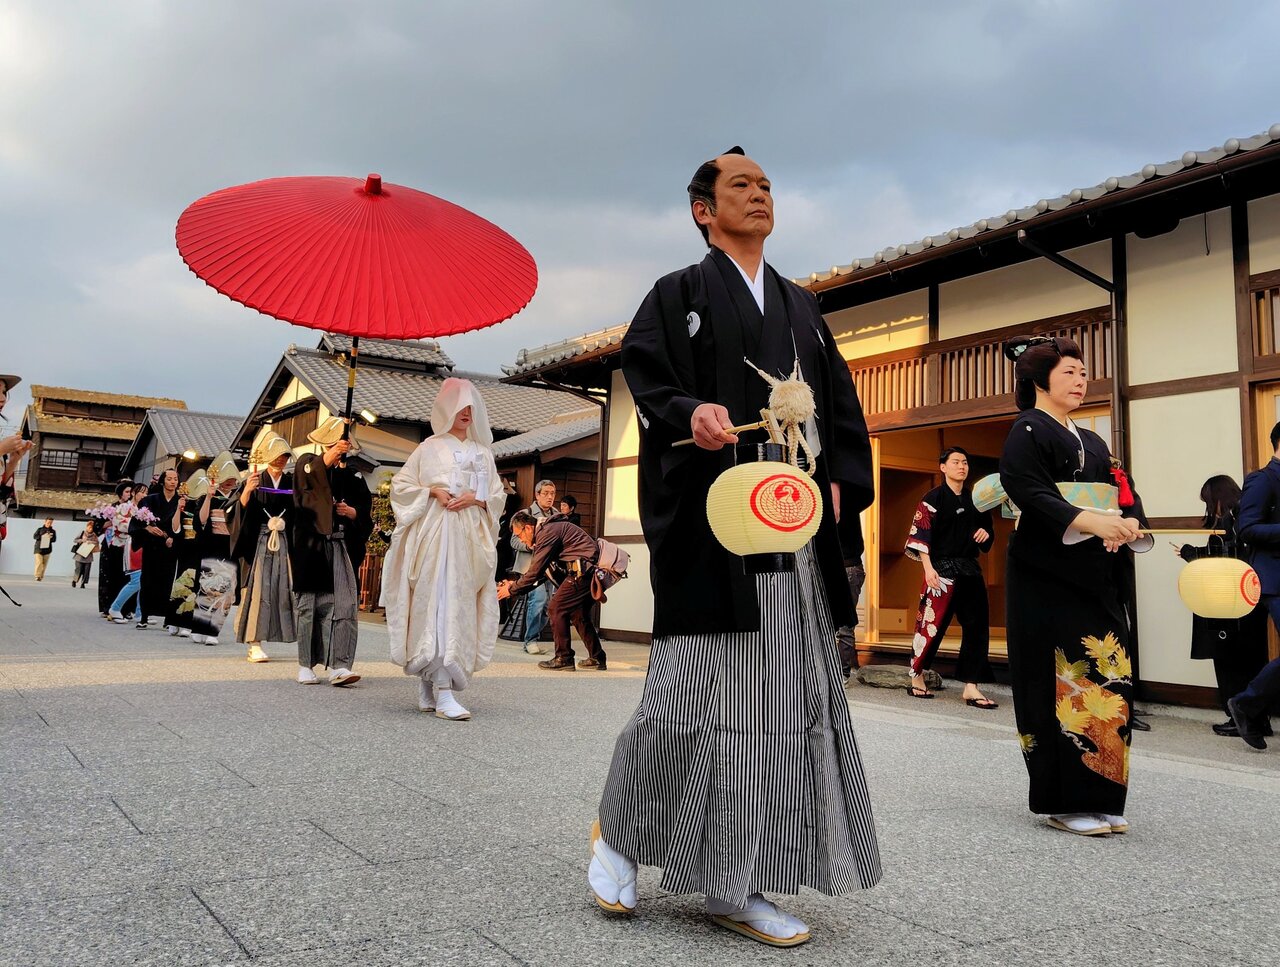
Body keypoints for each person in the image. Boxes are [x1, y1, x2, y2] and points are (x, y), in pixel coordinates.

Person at [588, 147, 881, 947]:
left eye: (766, 186)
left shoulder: (801, 306)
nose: (758, 195)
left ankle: (737, 880)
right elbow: (648, 381)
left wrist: (837, 482)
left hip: (788, 528)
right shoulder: (677, 295)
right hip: (715, 525)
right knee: (681, 701)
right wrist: (691, 412)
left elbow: (842, 418)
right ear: (702, 210)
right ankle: (618, 832)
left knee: (779, 712)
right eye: (741, 186)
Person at [999, 335, 1153, 837]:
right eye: (1069, 372)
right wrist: (1089, 520)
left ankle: (1103, 792)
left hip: (1092, 570)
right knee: (1058, 676)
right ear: (1039, 380)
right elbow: (1028, 489)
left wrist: (1126, 525)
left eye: (1084, 373)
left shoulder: (1096, 440)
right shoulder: (1027, 429)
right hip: (1046, 573)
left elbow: (1121, 491)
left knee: (1107, 671)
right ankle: (1061, 799)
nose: (1081, 380)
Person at [383, 379, 506, 720]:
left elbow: (497, 495)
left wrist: (476, 499)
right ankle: (440, 687)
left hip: (467, 537)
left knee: (457, 603)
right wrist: (432, 492)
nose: (466, 414)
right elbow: (401, 485)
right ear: (447, 409)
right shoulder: (427, 448)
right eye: (460, 407)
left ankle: (436, 682)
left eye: (470, 408)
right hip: (435, 535)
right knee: (436, 602)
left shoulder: (483, 452)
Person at [903, 447, 998, 708]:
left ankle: (971, 686)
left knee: (977, 628)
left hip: (969, 569)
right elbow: (920, 536)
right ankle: (917, 675)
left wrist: (984, 534)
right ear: (943, 467)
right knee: (932, 625)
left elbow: (987, 532)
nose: (961, 467)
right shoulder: (931, 498)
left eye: (965, 462)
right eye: (955, 462)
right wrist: (928, 568)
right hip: (940, 571)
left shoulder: (976, 500)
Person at [1176, 475, 1270, 737]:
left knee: (1229, 662)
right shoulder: (1250, 515)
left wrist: (1190, 554)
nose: (1208, 508)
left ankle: (1237, 718)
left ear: (1217, 498)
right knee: (1255, 661)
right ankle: (1260, 719)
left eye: (1208, 501)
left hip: (1228, 604)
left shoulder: (1229, 521)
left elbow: (1223, 561)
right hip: (1253, 599)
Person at [291, 417, 374, 687]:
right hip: (312, 547)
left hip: (341, 546)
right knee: (309, 607)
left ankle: (340, 665)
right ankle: (306, 664)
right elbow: (309, 484)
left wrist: (354, 514)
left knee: (343, 606)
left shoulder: (353, 475)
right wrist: (328, 457)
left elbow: (365, 514)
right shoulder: (307, 463)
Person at [497, 509, 605, 671]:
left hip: (583, 572)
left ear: (528, 528)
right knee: (578, 613)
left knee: (556, 608)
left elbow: (535, 572)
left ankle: (564, 658)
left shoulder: (546, 533)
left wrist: (511, 590)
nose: (521, 540)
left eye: (519, 535)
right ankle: (597, 657)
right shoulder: (547, 530)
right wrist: (514, 585)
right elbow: (541, 573)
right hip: (587, 572)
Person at [1227, 423, 1280, 750]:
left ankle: (1249, 705)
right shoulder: (1263, 478)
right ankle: (1247, 703)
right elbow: (1246, 528)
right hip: (1275, 576)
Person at [226, 432, 297, 663]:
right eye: (276, 456)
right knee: (256, 590)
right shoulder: (254, 479)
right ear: (267, 457)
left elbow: (301, 511)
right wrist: (247, 491)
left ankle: (278, 634)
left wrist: (286, 522)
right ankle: (254, 642)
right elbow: (234, 510)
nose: (280, 460)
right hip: (257, 541)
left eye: (284, 456)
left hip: (283, 540)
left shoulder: (291, 483)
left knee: (280, 590)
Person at [188, 454, 241, 645]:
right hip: (211, 546)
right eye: (226, 480)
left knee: (227, 591)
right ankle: (199, 627)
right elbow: (201, 521)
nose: (229, 483)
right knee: (207, 589)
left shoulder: (238, 499)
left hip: (229, 547)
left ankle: (213, 630)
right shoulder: (207, 496)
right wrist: (209, 497)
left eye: (232, 480)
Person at [505, 478, 557, 653]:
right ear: (537, 495)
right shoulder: (524, 514)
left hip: (550, 568)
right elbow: (512, 540)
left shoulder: (556, 514)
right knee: (538, 600)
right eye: (546, 493)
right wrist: (528, 545)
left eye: (552, 493)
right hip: (530, 566)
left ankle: (533, 635)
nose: (550, 497)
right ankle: (530, 640)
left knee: (548, 605)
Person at [130, 470, 183, 631]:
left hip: (170, 546)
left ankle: (168, 617)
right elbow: (136, 521)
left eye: (176, 479)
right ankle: (144, 616)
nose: (173, 482)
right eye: (169, 479)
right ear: (162, 481)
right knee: (147, 580)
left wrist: (174, 537)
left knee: (168, 581)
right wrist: (147, 528)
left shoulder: (181, 501)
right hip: (152, 545)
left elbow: (185, 522)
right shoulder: (149, 500)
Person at [107, 484, 147, 622]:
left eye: (147, 493)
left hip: (142, 545)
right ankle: (116, 608)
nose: (144, 495)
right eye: (142, 492)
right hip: (129, 545)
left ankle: (139, 612)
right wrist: (142, 528)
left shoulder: (145, 509)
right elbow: (119, 524)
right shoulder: (124, 507)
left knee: (143, 579)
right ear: (134, 493)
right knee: (136, 580)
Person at [97, 481, 133, 617]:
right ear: (120, 493)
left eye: (131, 492)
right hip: (111, 546)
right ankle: (107, 607)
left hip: (127, 546)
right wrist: (114, 521)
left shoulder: (134, 509)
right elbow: (99, 526)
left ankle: (126, 608)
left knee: (127, 577)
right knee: (109, 576)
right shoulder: (111, 509)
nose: (129, 495)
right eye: (127, 492)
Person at [71, 520, 99, 588]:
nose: (90, 529)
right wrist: (82, 540)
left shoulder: (94, 535)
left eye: (91, 528)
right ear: (87, 527)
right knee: (78, 569)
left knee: (86, 571)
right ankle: (74, 580)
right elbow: (75, 540)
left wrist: (91, 542)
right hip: (80, 554)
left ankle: (83, 583)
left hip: (88, 555)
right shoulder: (82, 532)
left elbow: (97, 542)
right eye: (89, 527)